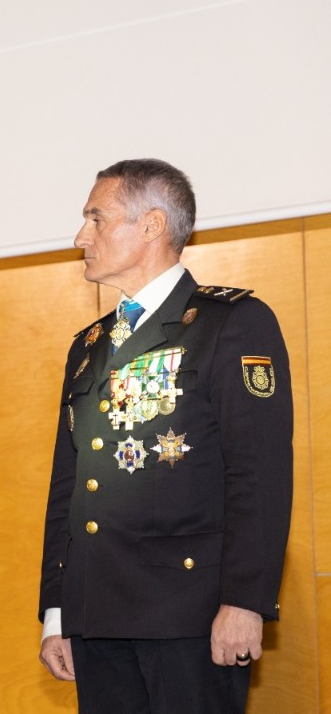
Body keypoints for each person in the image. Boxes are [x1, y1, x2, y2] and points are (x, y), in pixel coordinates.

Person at [37, 159, 293, 713]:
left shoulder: (232, 323)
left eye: (96, 219)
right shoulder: (89, 346)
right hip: (98, 617)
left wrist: (245, 603)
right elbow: (70, 485)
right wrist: (58, 612)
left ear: (152, 225)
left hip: (191, 617)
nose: (81, 237)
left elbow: (259, 473)